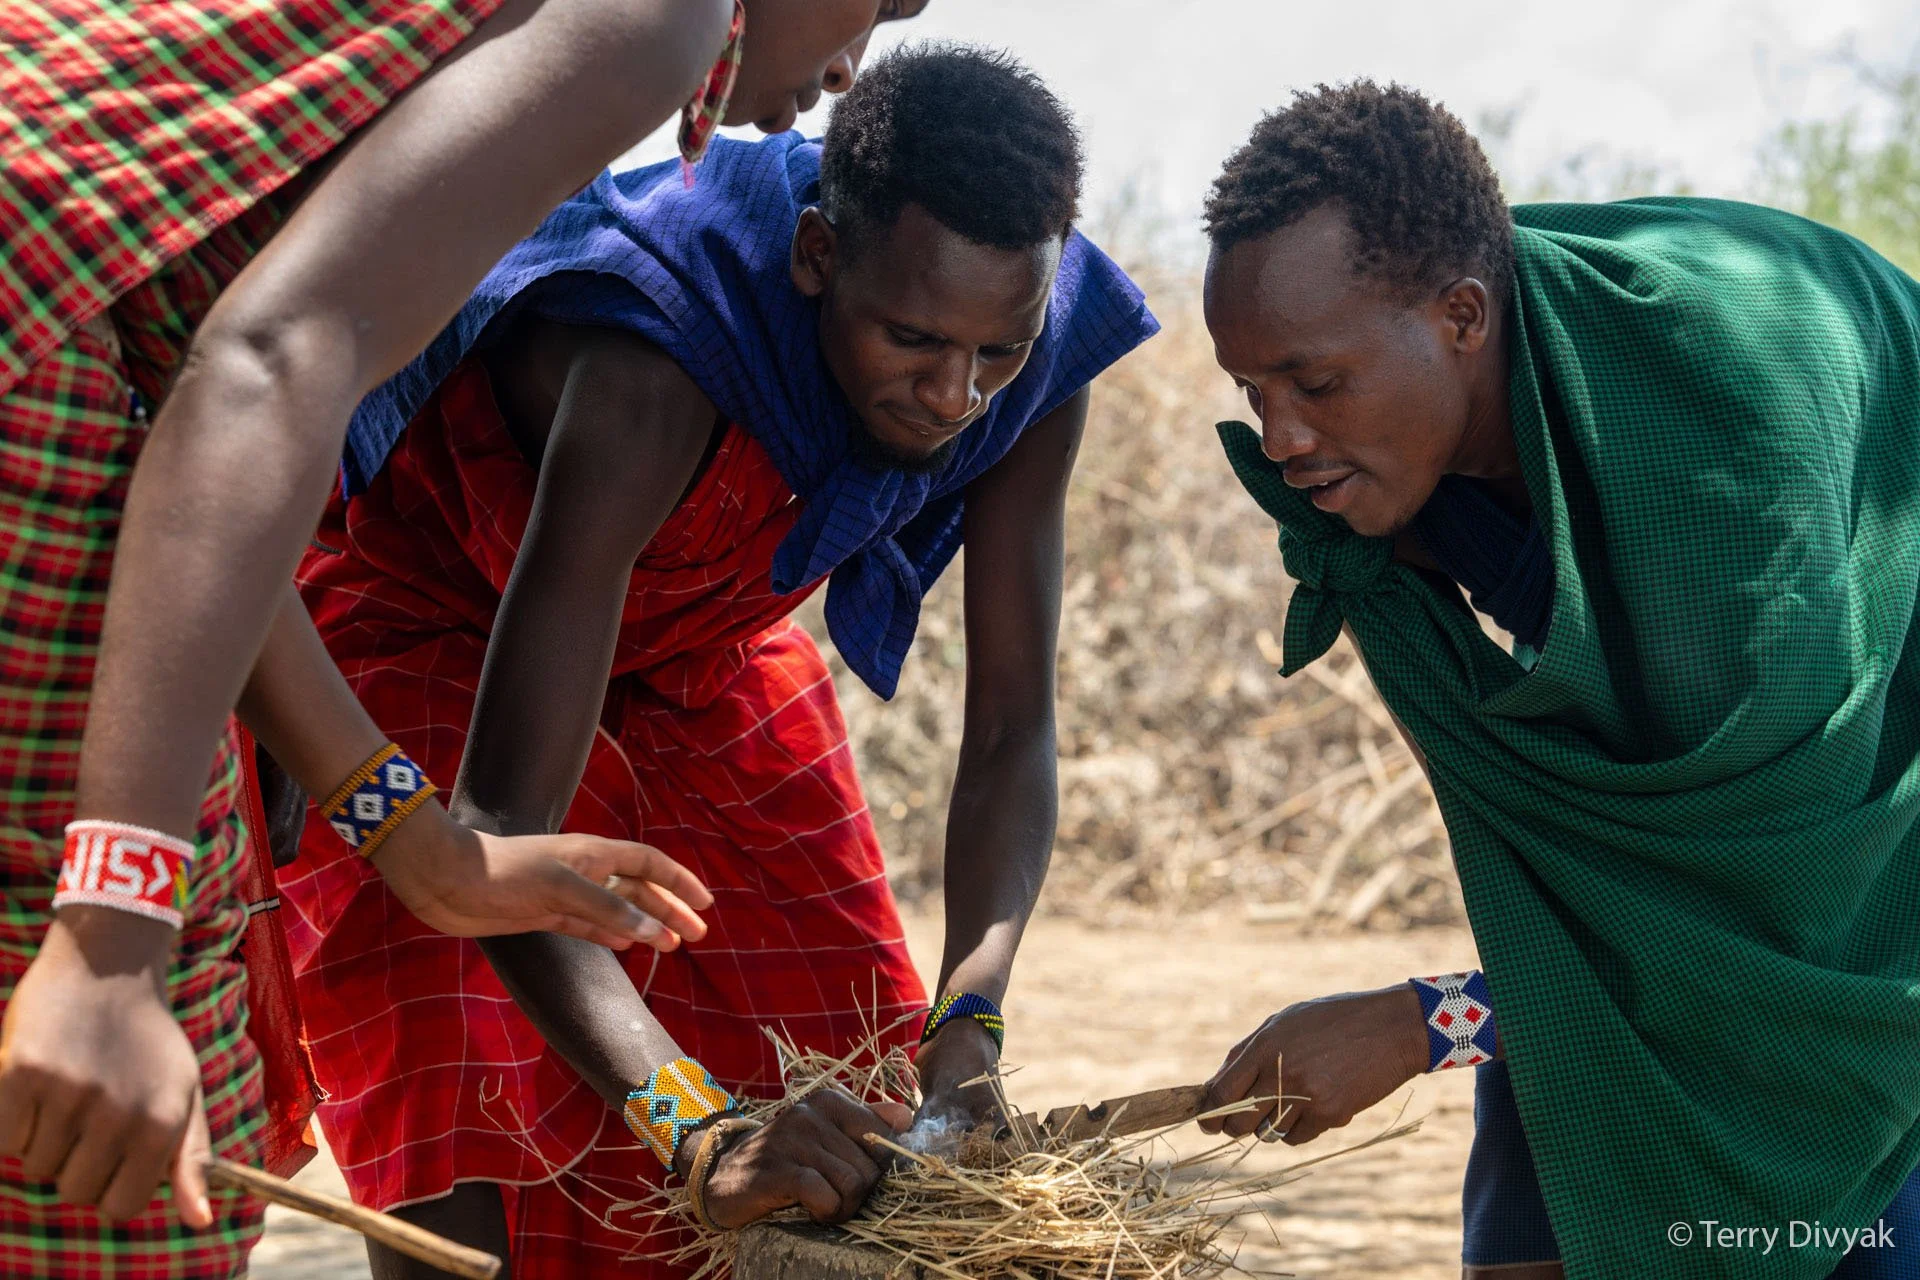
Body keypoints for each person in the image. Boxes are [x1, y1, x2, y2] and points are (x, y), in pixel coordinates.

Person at [0, 2, 924, 1274]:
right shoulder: (662, 12)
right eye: (878, 2)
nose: (848, 64)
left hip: (84, 394)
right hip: (30, 383)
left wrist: (427, 851)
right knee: (109, 1181)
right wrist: (110, 937)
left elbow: (206, 455)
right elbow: (262, 370)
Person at [283, 43, 1158, 1276]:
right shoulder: (658, 363)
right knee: (457, 1063)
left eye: (996, 353)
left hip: (702, 660)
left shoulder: (1029, 361)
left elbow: (1013, 727)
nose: (956, 393)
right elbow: (493, 831)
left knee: (848, 1101)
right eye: (912, 337)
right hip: (437, 630)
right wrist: (700, 1134)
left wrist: (968, 1025)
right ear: (815, 259)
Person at [1194, 82, 1920, 1280]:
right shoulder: (1407, 474)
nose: (1277, 438)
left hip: (1865, 908)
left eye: (1315, 384)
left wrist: (1427, 1022)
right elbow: (1580, 903)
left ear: (1463, 315)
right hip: (1696, 901)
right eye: (1251, 391)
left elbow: (1761, 941)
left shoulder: (1724, 452)